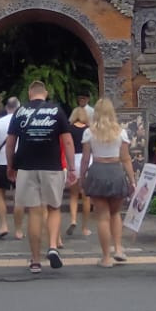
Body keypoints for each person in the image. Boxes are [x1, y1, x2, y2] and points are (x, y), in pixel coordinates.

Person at [6, 80, 76, 275]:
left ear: (29, 94)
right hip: (52, 166)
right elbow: (68, 142)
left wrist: (10, 165)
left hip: (26, 167)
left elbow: (11, 143)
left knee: (34, 212)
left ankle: (35, 261)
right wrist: (71, 168)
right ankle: (53, 246)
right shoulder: (56, 110)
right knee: (54, 208)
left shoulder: (19, 112)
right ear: (45, 93)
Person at [79, 98, 135, 266]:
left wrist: (82, 176)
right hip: (116, 171)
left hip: (97, 170)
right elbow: (126, 159)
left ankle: (106, 257)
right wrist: (132, 180)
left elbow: (85, 159)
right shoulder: (121, 132)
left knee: (102, 217)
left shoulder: (89, 133)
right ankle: (118, 248)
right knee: (115, 213)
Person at [0, 95, 23, 241]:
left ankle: (3, 225)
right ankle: (19, 230)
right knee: (19, 197)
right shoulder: (22, 121)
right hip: (20, 162)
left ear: (6, 107)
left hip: (2, 162)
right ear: (18, 107)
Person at [66, 88, 95, 238]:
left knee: (73, 194)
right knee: (86, 196)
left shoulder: (69, 129)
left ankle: (72, 219)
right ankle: (85, 228)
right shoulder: (89, 130)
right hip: (87, 161)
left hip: (73, 161)